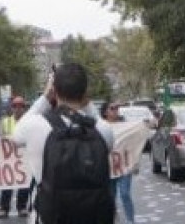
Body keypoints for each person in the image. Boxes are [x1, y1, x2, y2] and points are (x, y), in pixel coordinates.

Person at [12, 63, 114, 224]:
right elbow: (96, 118)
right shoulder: (103, 130)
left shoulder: (35, 126)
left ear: (55, 90)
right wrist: (86, 102)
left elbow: (16, 133)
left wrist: (46, 96)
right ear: (85, 92)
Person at [0, 96, 33, 219]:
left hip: (24, 158)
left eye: (20, 106)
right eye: (15, 106)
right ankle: (4, 208)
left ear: (24, 108)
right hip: (9, 158)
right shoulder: (6, 122)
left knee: (24, 184)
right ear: (12, 108)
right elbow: (2, 138)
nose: (18, 109)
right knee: (7, 183)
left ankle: (22, 207)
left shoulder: (28, 122)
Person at [102, 102, 136, 224]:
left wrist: (134, 162)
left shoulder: (125, 125)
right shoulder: (101, 126)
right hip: (109, 167)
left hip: (124, 165)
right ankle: (112, 219)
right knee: (111, 197)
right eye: (112, 108)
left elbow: (134, 140)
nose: (116, 110)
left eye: (117, 108)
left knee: (125, 193)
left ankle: (130, 220)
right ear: (105, 112)